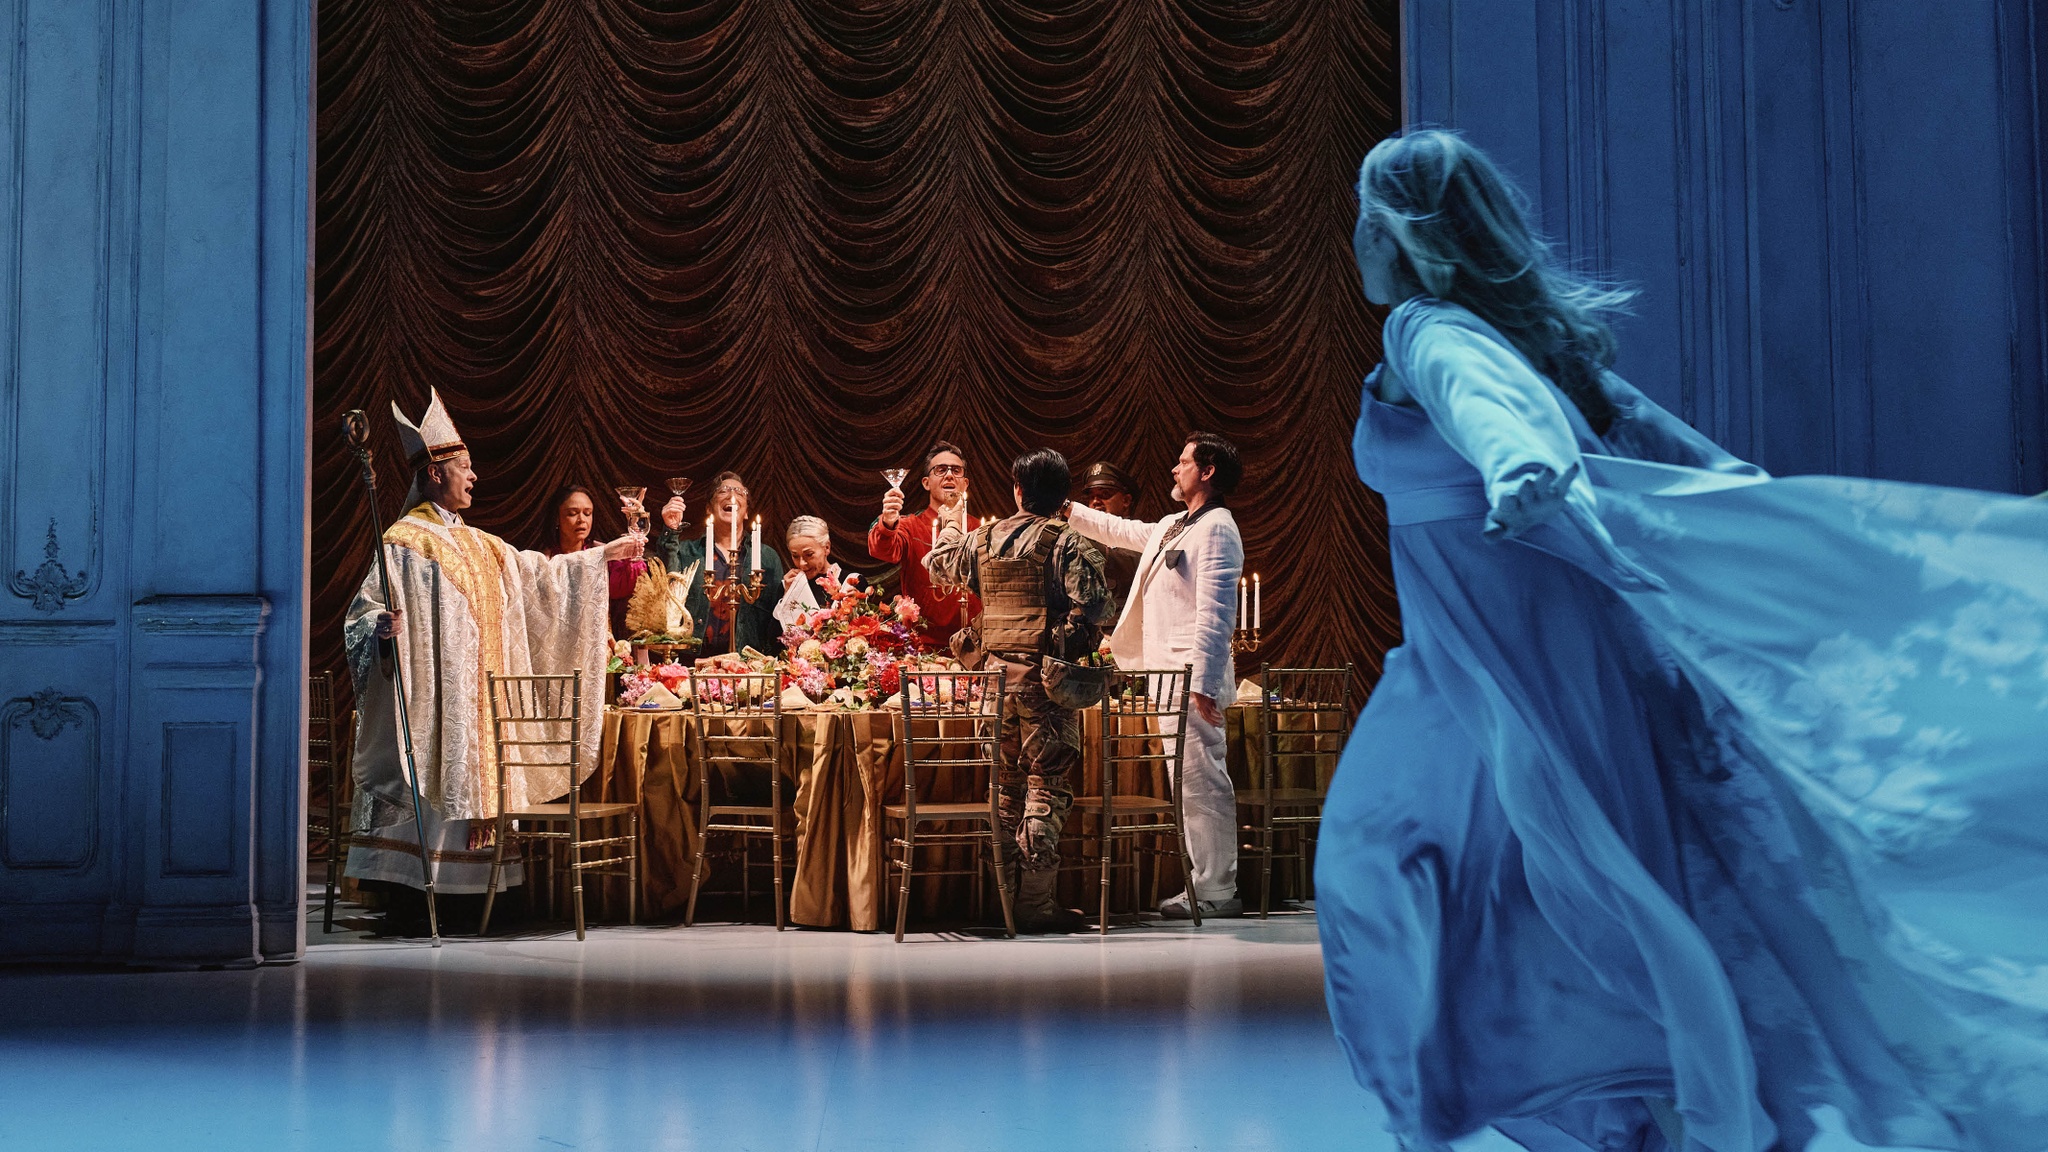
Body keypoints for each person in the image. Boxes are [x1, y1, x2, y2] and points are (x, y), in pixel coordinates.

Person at [1319, 129, 2048, 1152]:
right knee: (1459, 874)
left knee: (1513, 886)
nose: (1353, 238)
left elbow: (1489, 409)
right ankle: (1644, 1106)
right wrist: (1747, 518)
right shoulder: (1535, 345)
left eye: (1364, 215)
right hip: (1483, 673)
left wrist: (1524, 467)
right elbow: (1688, 455)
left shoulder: (1425, 331)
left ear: (1402, 234)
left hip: (1528, 683)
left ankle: (1666, 1109)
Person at [344, 390, 642, 919]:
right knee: (438, 766)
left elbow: (542, 574)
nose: (474, 477)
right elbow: (362, 614)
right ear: (435, 473)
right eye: (465, 468)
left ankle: (478, 900)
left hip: (483, 696)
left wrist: (603, 555)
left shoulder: (480, 543)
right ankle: (416, 896)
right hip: (434, 698)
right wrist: (380, 631)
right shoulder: (403, 542)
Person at [927, 449, 1116, 933]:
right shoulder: (1067, 542)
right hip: (1045, 686)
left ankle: (1004, 901)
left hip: (992, 684)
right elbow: (1097, 607)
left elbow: (938, 566)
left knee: (1005, 791)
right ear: (1062, 496)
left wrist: (950, 522)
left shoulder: (983, 538)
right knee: (1045, 789)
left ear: (1016, 490)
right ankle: (1035, 904)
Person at [1062, 435, 1246, 919]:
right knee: (1183, 780)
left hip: (1192, 677)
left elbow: (1217, 612)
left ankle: (1217, 888)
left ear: (1206, 471)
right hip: (1169, 673)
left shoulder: (1218, 529)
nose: (1173, 469)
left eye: (1183, 462)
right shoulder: (1173, 525)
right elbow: (1119, 530)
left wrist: (1205, 682)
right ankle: (1202, 881)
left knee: (1201, 780)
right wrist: (1068, 509)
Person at [650, 470, 786, 654]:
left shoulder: (766, 557)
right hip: (694, 661)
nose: (731, 496)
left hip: (748, 665)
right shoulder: (687, 552)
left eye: (740, 492)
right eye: (723, 491)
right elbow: (666, 584)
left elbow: (775, 619)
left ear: (746, 512)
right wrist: (671, 529)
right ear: (709, 509)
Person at [869, 441, 982, 649]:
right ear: (926, 483)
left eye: (956, 471)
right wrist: (888, 521)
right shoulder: (910, 526)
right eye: (940, 470)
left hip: (975, 647)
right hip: (923, 649)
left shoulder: (980, 530)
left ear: (965, 483)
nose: (949, 475)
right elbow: (883, 550)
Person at [541, 484, 647, 638]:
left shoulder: (604, 555)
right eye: (572, 513)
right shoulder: (544, 561)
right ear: (557, 518)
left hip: (595, 642)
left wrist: (636, 527)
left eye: (587, 513)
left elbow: (628, 585)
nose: (581, 520)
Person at [1074, 461, 1143, 612]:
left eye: (1104, 495)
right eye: (1091, 497)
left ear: (1126, 500)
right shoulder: (1081, 538)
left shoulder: (1139, 536)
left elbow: (1127, 567)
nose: (1095, 502)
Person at [773, 515, 845, 628]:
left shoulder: (850, 581)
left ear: (826, 548)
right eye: (795, 556)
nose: (802, 563)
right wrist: (788, 595)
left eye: (809, 555)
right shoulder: (787, 586)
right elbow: (773, 640)